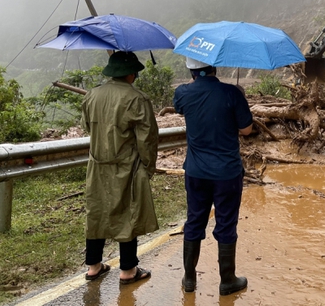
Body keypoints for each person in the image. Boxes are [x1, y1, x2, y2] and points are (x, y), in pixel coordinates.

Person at [173, 57, 253, 295]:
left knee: (194, 219)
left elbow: (180, 109)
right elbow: (247, 130)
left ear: (192, 71)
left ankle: (189, 279)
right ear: (214, 68)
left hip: (196, 172)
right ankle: (227, 280)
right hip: (227, 172)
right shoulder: (232, 93)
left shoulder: (182, 93)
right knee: (226, 222)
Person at [80, 51, 159, 285]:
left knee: (96, 212)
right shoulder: (137, 99)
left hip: (96, 166)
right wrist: (148, 166)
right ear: (131, 74)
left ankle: (94, 266)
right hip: (127, 166)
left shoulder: (91, 95)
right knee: (128, 212)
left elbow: (87, 127)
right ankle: (128, 270)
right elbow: (147, 138)